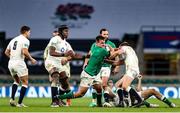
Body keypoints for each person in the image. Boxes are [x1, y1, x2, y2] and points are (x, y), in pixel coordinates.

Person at [56, 35, 117, 107]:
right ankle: (58, 97)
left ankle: (99, 104)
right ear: (96, 43)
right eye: (101, 43)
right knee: (80, 94)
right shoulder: (102, 50)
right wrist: (111, 48)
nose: (103, 44)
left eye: (104, 43)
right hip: (88, 74)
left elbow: (88, 55)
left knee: (99, 88)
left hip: (94, 74)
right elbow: (112, 55)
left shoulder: (94, 48)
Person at [84, 28, 120, 107]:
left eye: (107, 34)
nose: (106, 36)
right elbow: (89, 54)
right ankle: (94, 101)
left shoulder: (111, 44)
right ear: (100, 35)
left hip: (106, 66)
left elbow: (116, 55)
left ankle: (108, 100)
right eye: (104, 34)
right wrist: (85, 63)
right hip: (96, 67)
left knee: (103, 84)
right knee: (95, 84)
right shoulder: (95, 44)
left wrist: (117, 67)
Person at [5, 26, 37, 107]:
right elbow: (24, 51)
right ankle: (19, 103)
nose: (30, 34)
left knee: (16, 81)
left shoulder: (13, 40)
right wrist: (31, 59)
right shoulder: (25, 40)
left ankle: (12, 99)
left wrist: (13, 58)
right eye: (29, 32)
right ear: (26, 32)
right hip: (19, 63)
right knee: (25, 82)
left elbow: (6, 52)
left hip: (11, 63)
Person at [44, 25, 75, 107]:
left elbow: (72, 55)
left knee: (64, 83)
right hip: (51, 62)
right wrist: (63, 54)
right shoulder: (54, 39)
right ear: (61, 32)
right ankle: (54, 102)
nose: (67, 33)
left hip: (59, 64)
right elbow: (51, 52)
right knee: (55, 77)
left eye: (68, 31)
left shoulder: (65, 43)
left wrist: (83, 57)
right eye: (65, 31)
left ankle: (59, 99)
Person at [107, 42, 143, 107]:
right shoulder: (129, 54)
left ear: (121, 46)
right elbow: (117, 63)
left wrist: (109, 56)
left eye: (119, 47)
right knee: (118, 85)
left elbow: (117, 52)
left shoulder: (124, 47)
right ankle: (121, 102)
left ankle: (139, 100)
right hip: (134, 70)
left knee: (125, 86)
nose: (119, 48)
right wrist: (106, 61)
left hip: (131, 69)